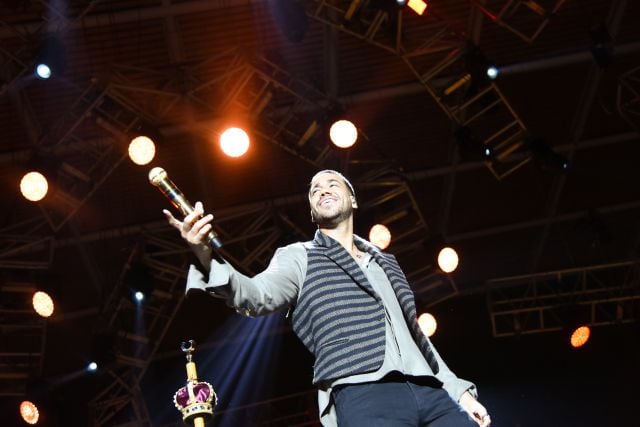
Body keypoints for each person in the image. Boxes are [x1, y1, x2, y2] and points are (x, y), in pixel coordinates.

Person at [164, 170, 491, 427]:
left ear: (353, 199)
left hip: (431, 392)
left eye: (332, 183)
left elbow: (416, 336)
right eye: (315, 190)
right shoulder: (298, 257)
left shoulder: (385, 261)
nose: (323, 189)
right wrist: (205, 254)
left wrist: (460, 392)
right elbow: (256, 296)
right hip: (365, 392)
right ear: (311, 212)